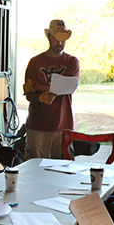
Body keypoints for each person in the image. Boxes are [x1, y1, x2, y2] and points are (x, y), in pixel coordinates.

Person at [23, 19, 80, 160]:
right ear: (49, 37)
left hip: (63, 126)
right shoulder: (35, 62)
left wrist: (37, 86)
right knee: (33, 170)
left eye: (63, 40)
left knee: (63, 172)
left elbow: (67, 86)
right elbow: (29, 95)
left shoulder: (72, 62)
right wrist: (38, 96)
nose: (60, 43)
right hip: (37, 126)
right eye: (56, 39)